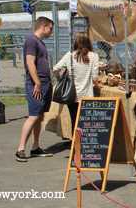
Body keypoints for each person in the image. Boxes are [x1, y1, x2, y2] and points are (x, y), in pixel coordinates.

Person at [16, 16, 55, 162]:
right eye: (50, 28)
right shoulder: (31, 41)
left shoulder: (40, 43)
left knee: (40, 116)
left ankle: (35, 146)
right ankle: (20, 149)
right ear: (43, 26)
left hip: (45, 83)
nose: (51, 31)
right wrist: (37, 83)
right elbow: (29, 62)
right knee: (33, 115)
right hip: (36, 84)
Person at [52, 32, 99, 130]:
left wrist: (60, 78)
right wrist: (98, 86)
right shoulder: (94, 56)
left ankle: (75, 143)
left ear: (75, 43)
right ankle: (85, 143)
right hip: (87, 95)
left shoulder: (69, 55)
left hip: (72, 95)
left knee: (74, 120)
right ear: (88, 42)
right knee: (86, 122)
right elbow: (95, 78)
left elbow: (55, 69)